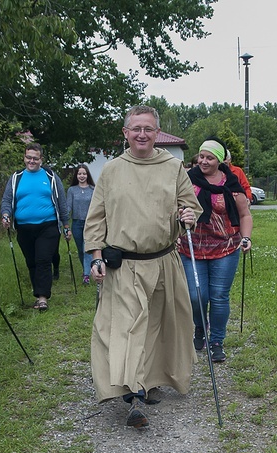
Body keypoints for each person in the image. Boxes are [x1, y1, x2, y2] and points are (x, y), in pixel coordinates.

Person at [84, 105, 202, 428]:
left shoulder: (173, 167)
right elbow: (96, 219)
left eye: (148, 129)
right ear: (126, 133)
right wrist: (95, 257)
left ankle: (148, 383)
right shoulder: (111, 171)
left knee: (157, 328)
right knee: (128, 327)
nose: (142, 134)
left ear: (157, 134)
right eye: (136, 128)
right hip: (124, 267)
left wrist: (187, 216)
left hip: (163, 262)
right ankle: (133, 394)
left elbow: (188, 206)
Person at [179, 138, 253, 363]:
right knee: (196, 295)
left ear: (219, 160)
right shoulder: (187, 180)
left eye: (209, 157)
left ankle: (217, 342)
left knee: (219, 297)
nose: (203, 161)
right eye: (201, 156)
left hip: (225, 247)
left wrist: (246, 237)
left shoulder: (231, 183)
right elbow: (173, 207)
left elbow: (245, 215)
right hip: (192, 247)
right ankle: (200, 326)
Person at [0, 143, 70, 311]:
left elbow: (61, 202)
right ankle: (38, 292)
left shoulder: (51, 176)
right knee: (31, 261)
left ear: (41, 159)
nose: (31, 161)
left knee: (43, 259)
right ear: (24, 158)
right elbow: (7, 200)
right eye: (28, 157)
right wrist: (5, 215)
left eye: (35, 158)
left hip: (48, 226)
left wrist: (66, 226)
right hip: (24, 228)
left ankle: (43, 297)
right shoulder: (16, 177)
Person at [66, 164, 96, 285]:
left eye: (84, 173)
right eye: (79, 174)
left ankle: (86, 276)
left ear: (87, 175)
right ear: (76, 175)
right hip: (77, 223)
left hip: (89, 223)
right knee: (80, 249)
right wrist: (64, 221)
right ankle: (86, 269)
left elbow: (96, 207)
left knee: (86, 250)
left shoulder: (93, 189)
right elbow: (68, 206)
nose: (82, 176)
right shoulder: (72, 190)